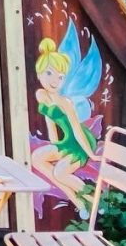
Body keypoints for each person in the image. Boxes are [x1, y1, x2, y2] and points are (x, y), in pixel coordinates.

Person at [30, 37, 98, 217]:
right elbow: (49, 121)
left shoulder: (65, 102)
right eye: (50, 74)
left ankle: (93, 199)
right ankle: (78, 201)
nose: (55, 81)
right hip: (65, 141)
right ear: (40, 73)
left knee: (60, 172)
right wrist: (54, 144)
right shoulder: (41, 95)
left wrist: (91, 155)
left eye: (61, 77)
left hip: (79, 142)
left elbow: (76, 129)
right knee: (36, 158)